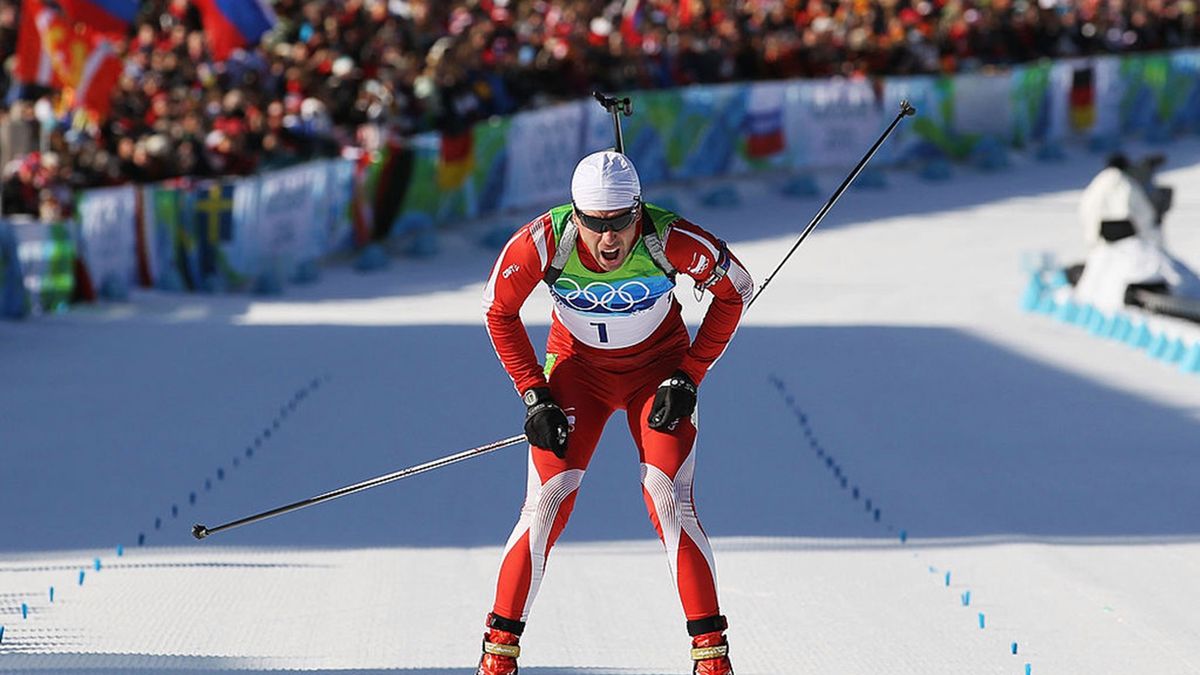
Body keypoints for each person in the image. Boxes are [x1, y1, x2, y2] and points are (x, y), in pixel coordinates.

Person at [478, 150, 754, 675]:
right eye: (596, 224)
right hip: (578, 370)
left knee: (668, 495)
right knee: (548, 501)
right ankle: (497, 658)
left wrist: (691, 374)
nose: (610, 239)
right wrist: (533, 393)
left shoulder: (670, 239)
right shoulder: (543, 240)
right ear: (575, 213)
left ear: (638, 210)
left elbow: (735, 290)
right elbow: (499, 309)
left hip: (659, 371)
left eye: (622, 222)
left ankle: (712, 660)